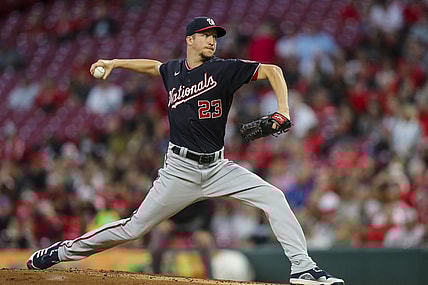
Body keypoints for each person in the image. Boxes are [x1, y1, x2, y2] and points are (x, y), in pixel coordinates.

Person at [26, 17, 345, 285]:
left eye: (215, 36)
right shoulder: (174, 70)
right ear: (189, 40)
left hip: (219, 167)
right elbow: (154, 67)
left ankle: (303, 268)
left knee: (273, 196)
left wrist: (283, 110)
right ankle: (62, 252)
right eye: (205, 35)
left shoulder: (225, 70)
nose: (212, 41)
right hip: (180, 169)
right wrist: (116, 63)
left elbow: (273, 70)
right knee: (134, 228)